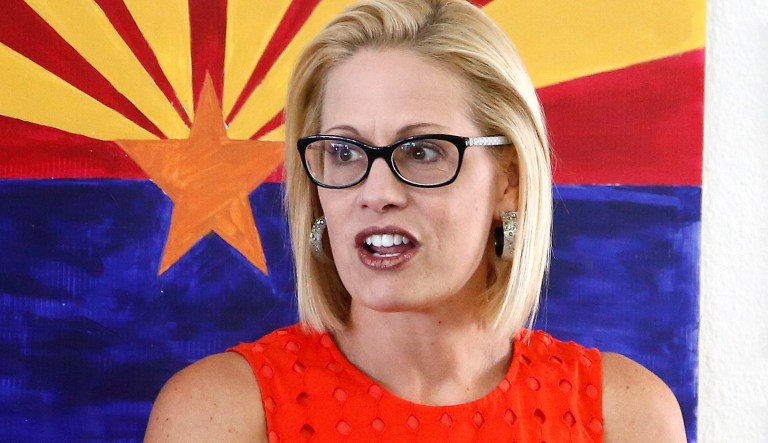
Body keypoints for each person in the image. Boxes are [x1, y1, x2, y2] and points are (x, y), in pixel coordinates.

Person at [144, 0, 686, 441]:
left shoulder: (627, 416)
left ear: (509, 180)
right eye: (345, 151)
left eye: (422, 151)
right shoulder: (219, 413)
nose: (376, 192)